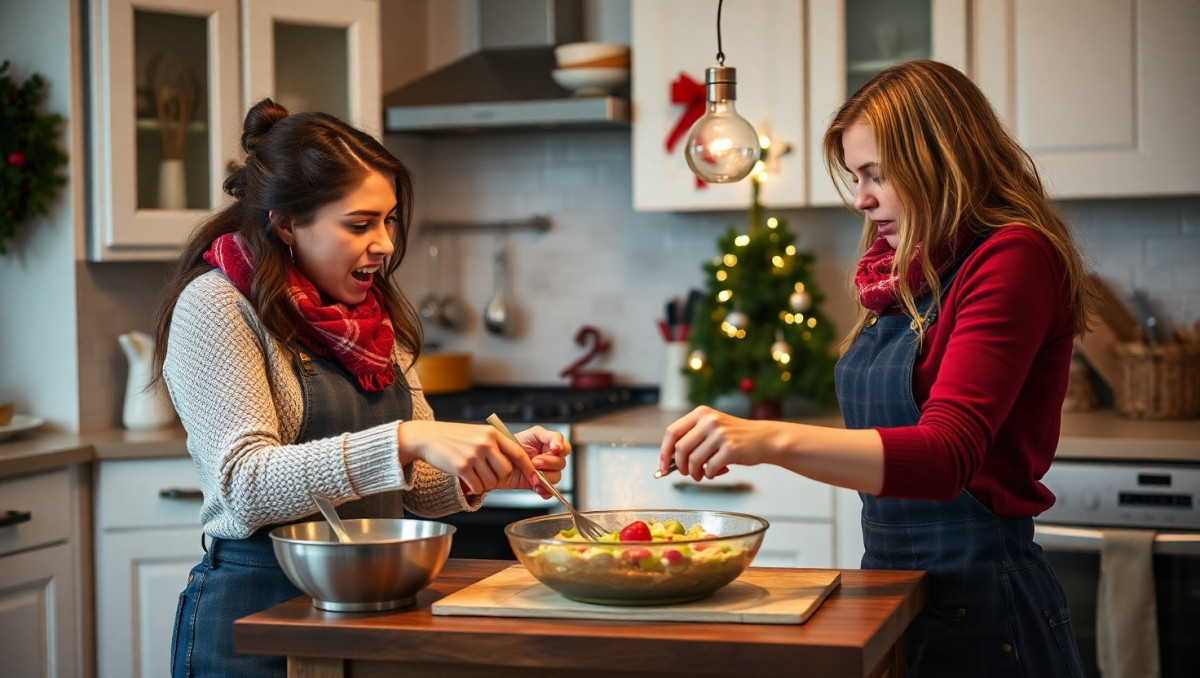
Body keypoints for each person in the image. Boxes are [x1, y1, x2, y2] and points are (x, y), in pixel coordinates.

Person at [660, 60, 1091, 677]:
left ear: (940, 162)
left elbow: (946, 455)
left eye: (877, 175)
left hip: (989, 613)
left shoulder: (1013, 257)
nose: (862, 199)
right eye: (858, 177)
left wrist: (764, 439)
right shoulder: (905, 273)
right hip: (897, 594)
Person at [151, 98, 569, 677]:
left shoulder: (372, 318)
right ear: (288, 222)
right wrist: (403, 438)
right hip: (257, 619)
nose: (385, 244)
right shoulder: (218, 305)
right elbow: (245, 485)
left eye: (389, 219)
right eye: (359, 223)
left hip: (374, 616)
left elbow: (420, 491)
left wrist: (496, 461)